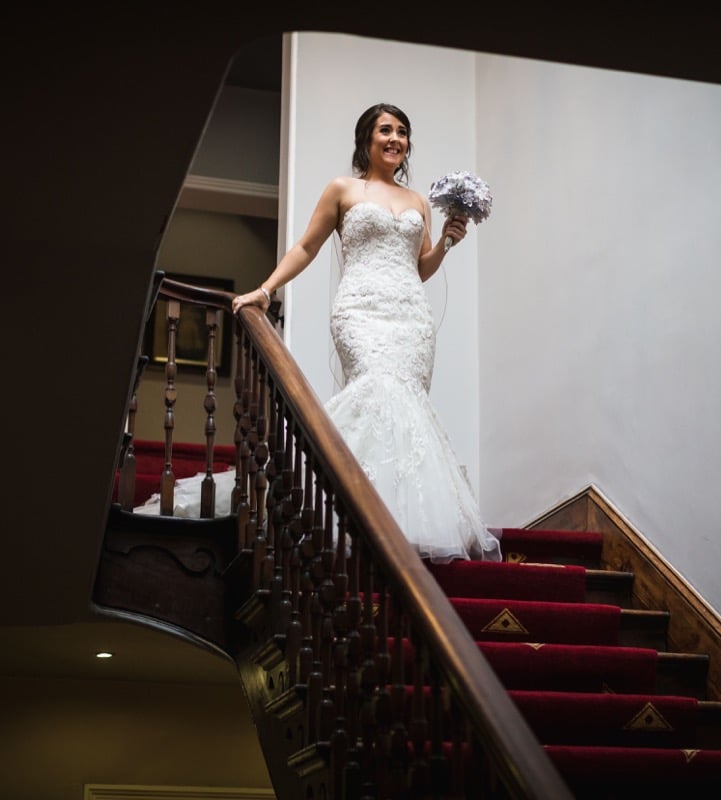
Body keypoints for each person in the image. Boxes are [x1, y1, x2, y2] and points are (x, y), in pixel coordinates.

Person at [139, 103, 500, 564]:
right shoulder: (342, 189)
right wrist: (266, 290)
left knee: (403, 407)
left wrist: (448, 240)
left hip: (411, 318)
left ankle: (393, 522)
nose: (395, 139)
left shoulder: (417, 203)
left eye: (403, 132)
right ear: (366, 140)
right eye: (385, 130)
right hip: (360, 312)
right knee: (375, 392)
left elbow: (420, 269)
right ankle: (334, 504)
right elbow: (307, 245)